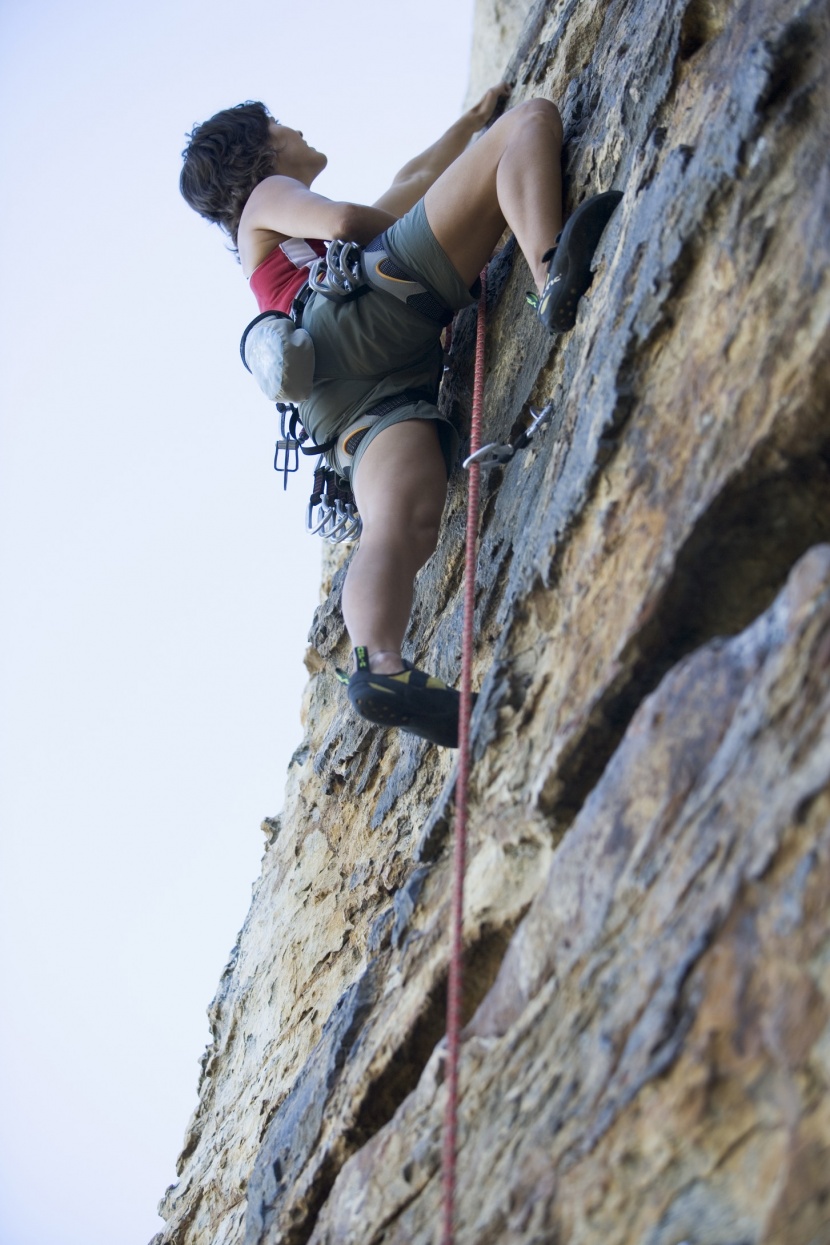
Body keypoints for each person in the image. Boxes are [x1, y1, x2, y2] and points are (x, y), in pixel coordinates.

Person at [180, 87, 621, 747]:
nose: (294, 127)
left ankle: (379, 663)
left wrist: (469, 124)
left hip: (343, 400)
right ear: (259, 149)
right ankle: (550, 268)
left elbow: (412, 184)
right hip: (360, 317)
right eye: (278, 124)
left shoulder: (273, 242)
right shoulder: (266, 198)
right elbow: (347, 224)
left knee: (398, 525)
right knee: (529, 120)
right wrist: (489, 133)